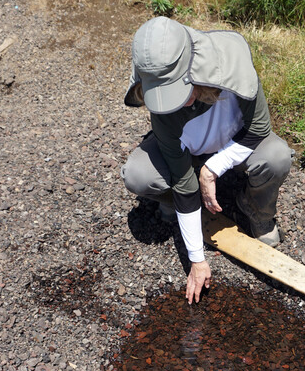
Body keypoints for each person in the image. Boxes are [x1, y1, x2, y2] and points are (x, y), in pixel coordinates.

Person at [120, 16, 293, 305]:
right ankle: (172, 204)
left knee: (276, 156)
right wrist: (196, 259)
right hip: (189, 152)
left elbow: (259, 129)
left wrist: (213, 168)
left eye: (178, 90)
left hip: (235, 139)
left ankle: (254, 209)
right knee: (138, 175)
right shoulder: (159, 100)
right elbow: (183, 182)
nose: (173, 103)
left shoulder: (233, 65)